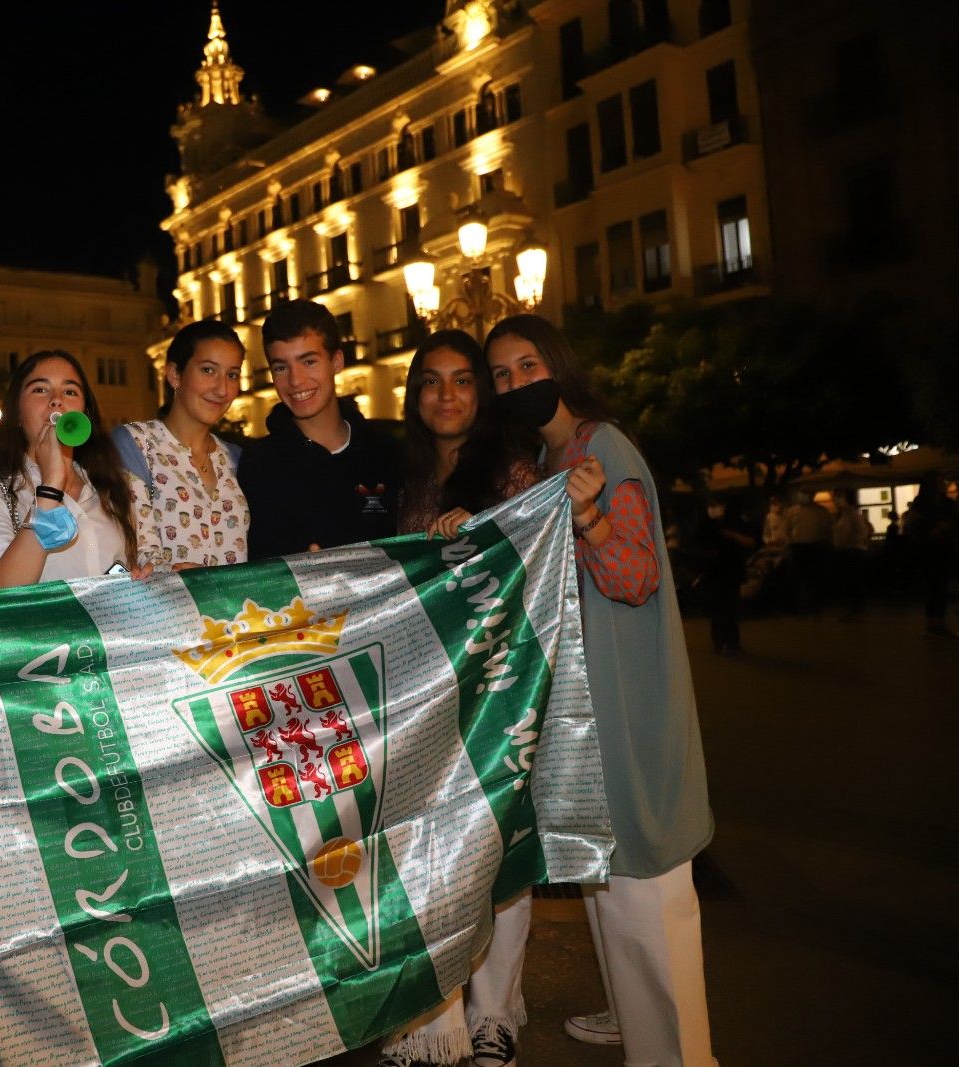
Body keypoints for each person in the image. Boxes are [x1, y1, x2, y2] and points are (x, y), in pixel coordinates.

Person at [485, 314, 717, 1067]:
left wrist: (587, 517)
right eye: (502, 375)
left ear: (557, 363)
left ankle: (677, 1053)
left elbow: (635, 577)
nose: (517, 383)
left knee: (647, 887)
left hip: (626, 702)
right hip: (588, 706)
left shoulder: (603, 446)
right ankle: (633, 1015)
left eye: (528, 365)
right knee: (611, 882)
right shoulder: (553, 456)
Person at [381, 329, 538, 1067]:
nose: (445, 395)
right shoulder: (408, 477)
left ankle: (496, 1015)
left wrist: (474, 537)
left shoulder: (509, 470)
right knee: (440, 851)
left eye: (463, 380)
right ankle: (434, 1012)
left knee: (499, 845)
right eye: (431, 382)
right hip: (428, 693)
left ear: (482, 393)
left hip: (498, 687)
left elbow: (528, 559)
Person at [237, 300, 402, 557]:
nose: (295, 380)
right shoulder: (259, 465)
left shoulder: (387, 453)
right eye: (281, 367)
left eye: (309, 362)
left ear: (336, 362)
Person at [0, 350, 143, 585]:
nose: (56, 400)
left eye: (70, 391)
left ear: (84, 413)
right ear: (16, 413)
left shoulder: (110, 485)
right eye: (40, 389)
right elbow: (0, 590)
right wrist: (50, 488)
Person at [111, 320, 249, 570]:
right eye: (208, 370)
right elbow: (138, 548)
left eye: (232, 375)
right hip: (166, 606)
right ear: (175, 375)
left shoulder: (236, 458)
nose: (222, 389)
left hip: (239, 607)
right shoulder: (136, 444)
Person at [694, 496, 754, 654]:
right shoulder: (706, 525)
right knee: (718, 609)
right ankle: (720, 642)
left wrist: (733, 536)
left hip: (731, 572)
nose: (713, 509)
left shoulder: (734, 523)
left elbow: (749, 541)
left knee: (731, 608)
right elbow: (699, 545)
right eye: (711, 506)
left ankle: (732, 642)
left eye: (716, 505)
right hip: (714, 573)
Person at [903, 473, 957, 638]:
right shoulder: (931, 504)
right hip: (933, 551)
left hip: (938, 550)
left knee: (937, 586)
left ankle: (934, 622)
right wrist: (937, 528)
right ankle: (935, 623)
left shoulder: (931, 503)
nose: (944, 484)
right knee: (937, 586)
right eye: (941, 482)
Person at [786, 490, 832, 614]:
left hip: (815, 547)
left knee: (815, 577)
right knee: (801, 577)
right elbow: (788, 529)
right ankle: (804, 605)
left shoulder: (821, 511)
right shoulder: (792, 511)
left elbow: (827, 530)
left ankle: (815, 605)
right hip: (799, 547)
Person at [831, 490, 871, 619]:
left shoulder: (851, 514)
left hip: (851, 551)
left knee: (852, 581)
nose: (835, 501)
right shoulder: (846, 514)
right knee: (851, 581)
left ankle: (854, 610)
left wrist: (849, 542)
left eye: (837, 497)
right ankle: (853, 610)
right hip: (848, 551)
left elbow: (861, 532)